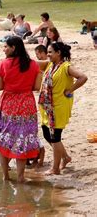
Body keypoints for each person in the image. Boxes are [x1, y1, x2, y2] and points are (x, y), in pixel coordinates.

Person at [0, 36, 41, 182]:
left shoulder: (3, 64)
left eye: (6, 46)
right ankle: (21, 177)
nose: (4, 49)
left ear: (13, 48)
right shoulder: (33, 65)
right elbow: (37, 87)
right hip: (27, 104)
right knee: (23, 141)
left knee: (5, 140)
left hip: (8, 104)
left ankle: (5, 176)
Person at [38, 42, 87, 175]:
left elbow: (83, 77)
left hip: (58, 107)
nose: (47, 55)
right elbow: (33, 63)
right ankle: (65, 157)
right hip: (47, 107)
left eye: (50, 52)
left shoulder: (66, 67)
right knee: (47, 133)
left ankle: (55, 169)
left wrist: (70, 90)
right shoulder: (50, 65)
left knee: (55, 137)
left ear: (58, 53)